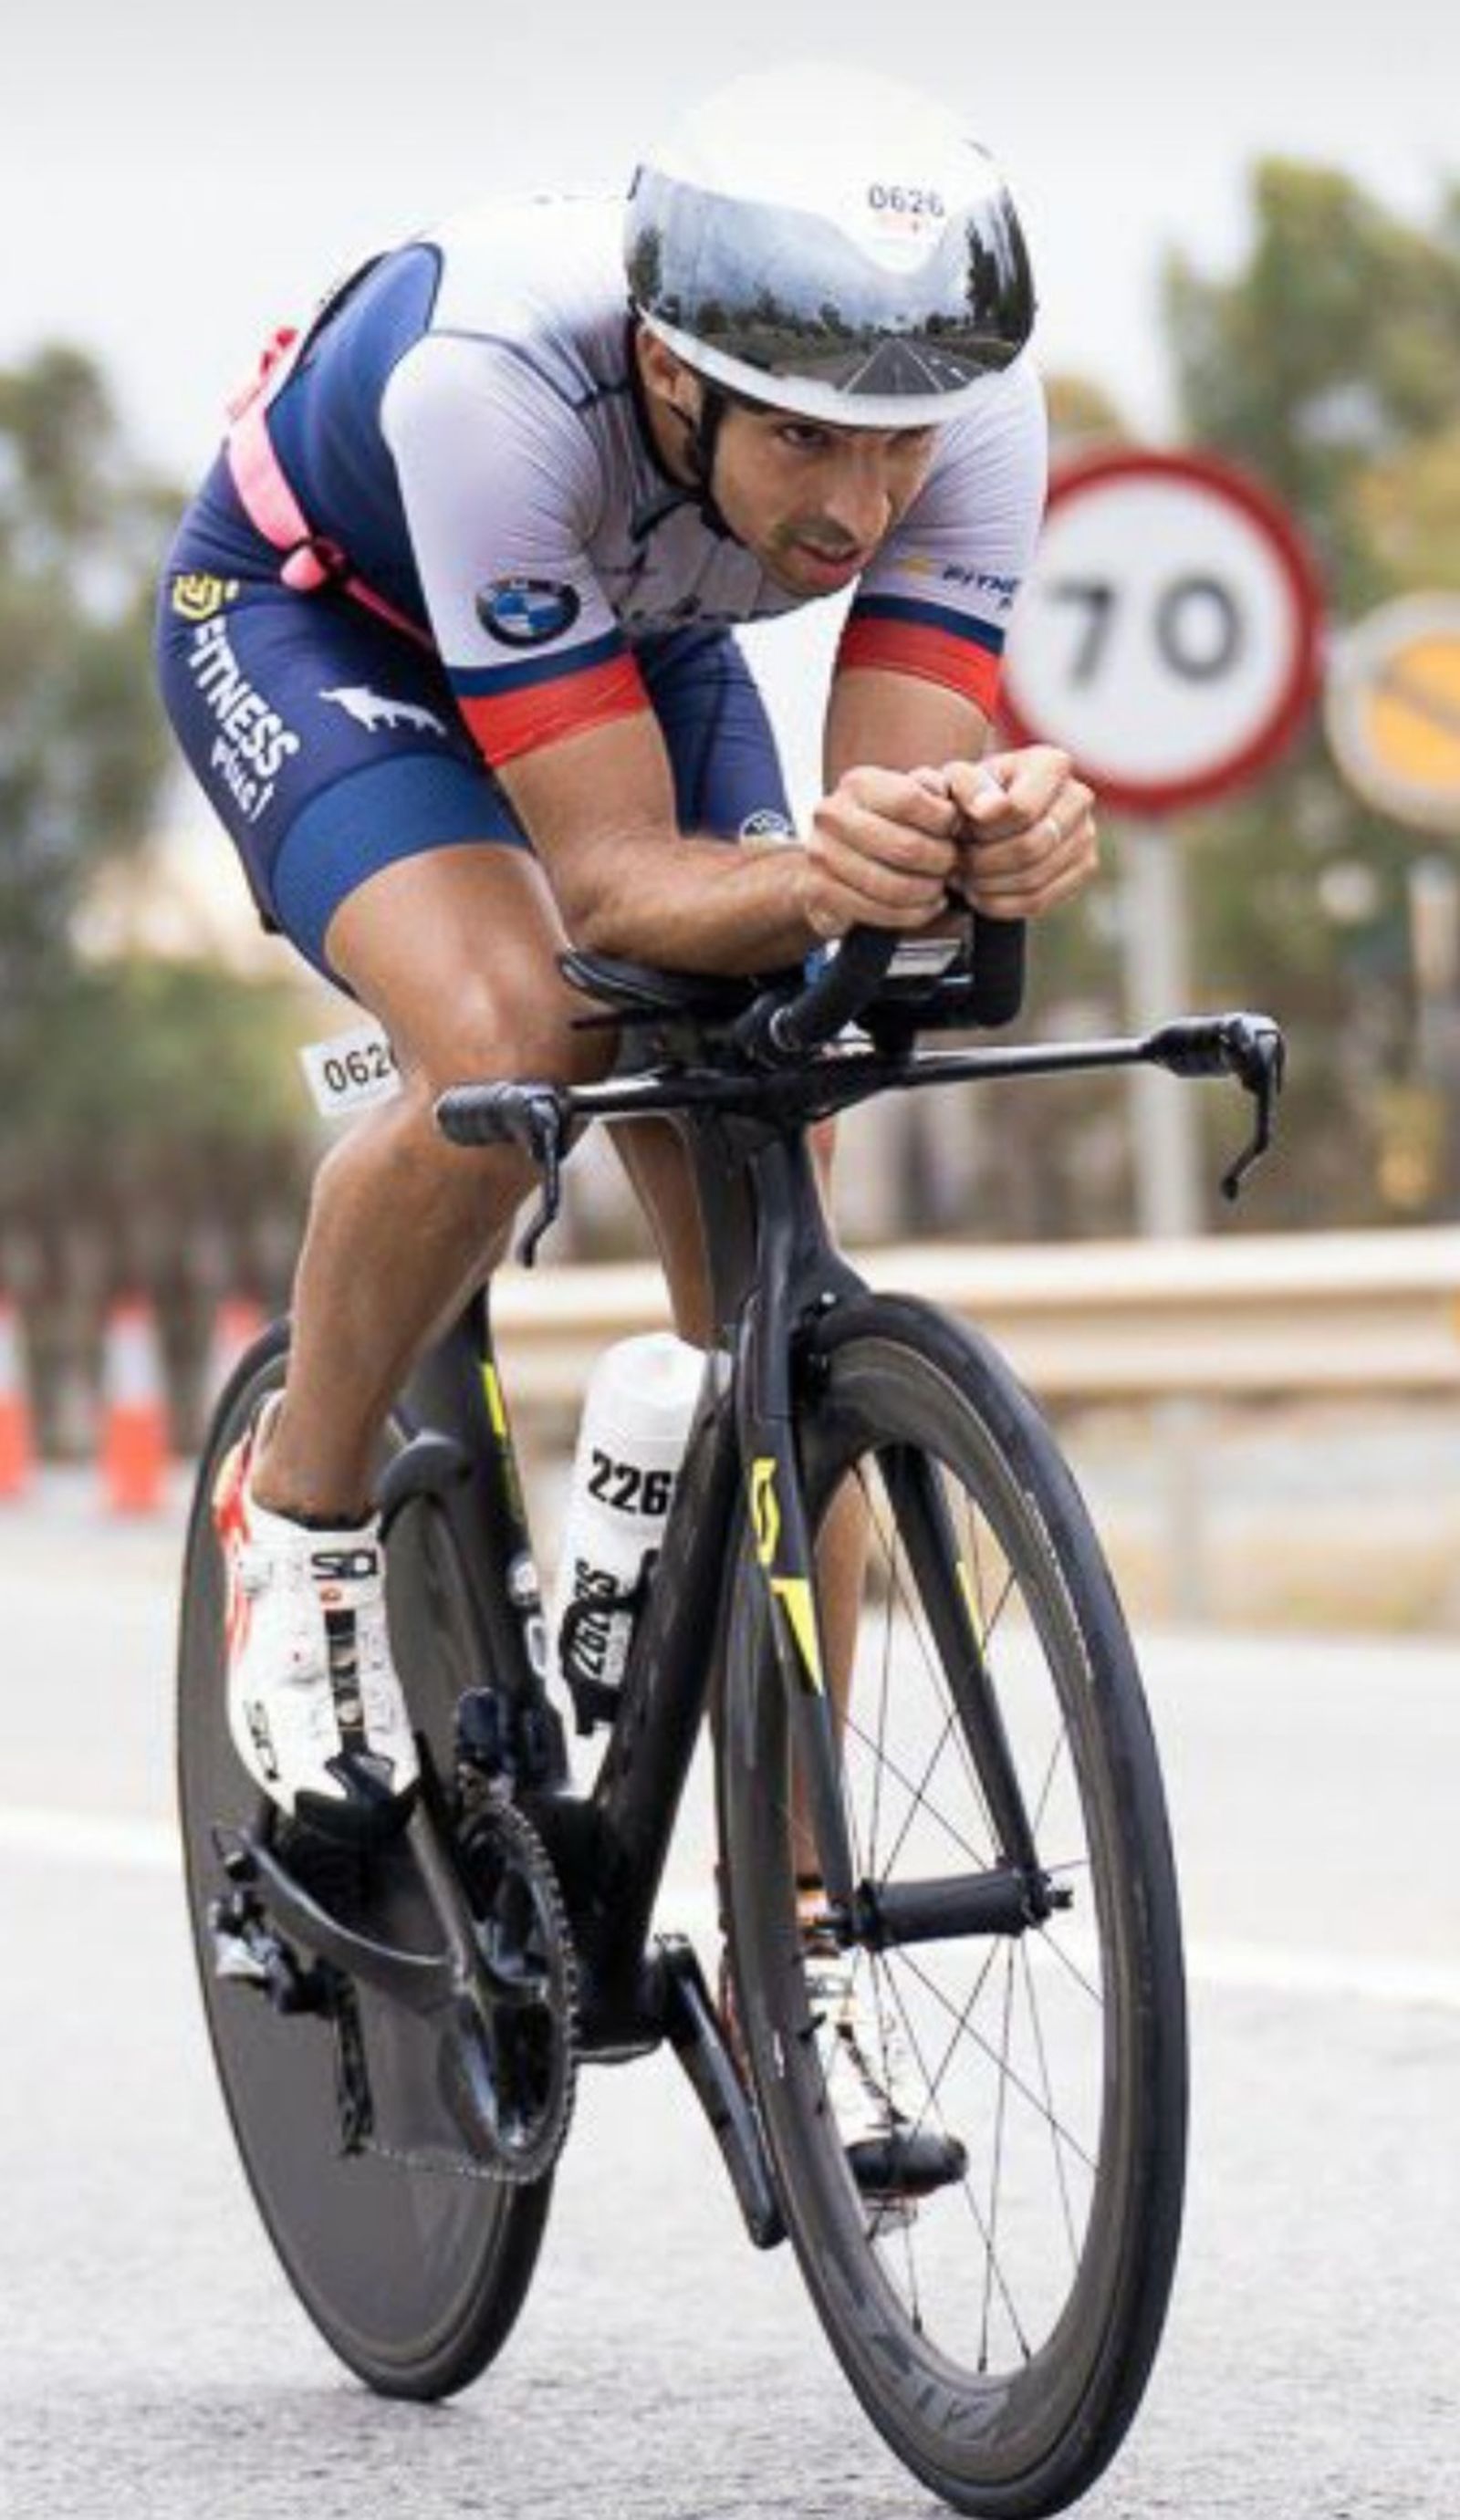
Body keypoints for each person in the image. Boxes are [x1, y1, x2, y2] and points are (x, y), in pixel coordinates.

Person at [157, 61, 1097, 2171]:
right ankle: (294, 1531)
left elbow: (883, 825)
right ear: (673, 375)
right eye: (801, 439)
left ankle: (793, 1937)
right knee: (520, 1035)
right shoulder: (500, 375)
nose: (856, 507)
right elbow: (606, 899)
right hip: (334, 627)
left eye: (893, 442)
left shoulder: (977, 411)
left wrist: (995, 834)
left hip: (630, 628)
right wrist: (870, 865)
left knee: (776, 1190)